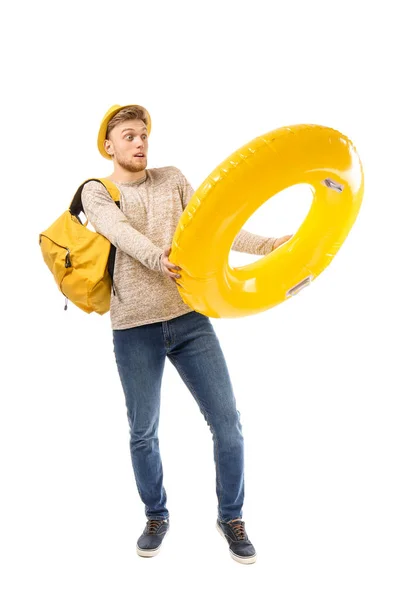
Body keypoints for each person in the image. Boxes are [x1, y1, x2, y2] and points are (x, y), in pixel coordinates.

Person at [81, 104, 292, 565]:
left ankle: (231, 516)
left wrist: (267, 245)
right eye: (130, 136)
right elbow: (118, 232)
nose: (140, 143)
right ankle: (156, 514)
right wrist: (159, 257)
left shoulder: (172, 178)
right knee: (143, 431)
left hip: (189, 318)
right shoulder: (97, 191)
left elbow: (214, 224)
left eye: (144, 135)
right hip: (134, 326)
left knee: (228, 424)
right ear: (109, 146)